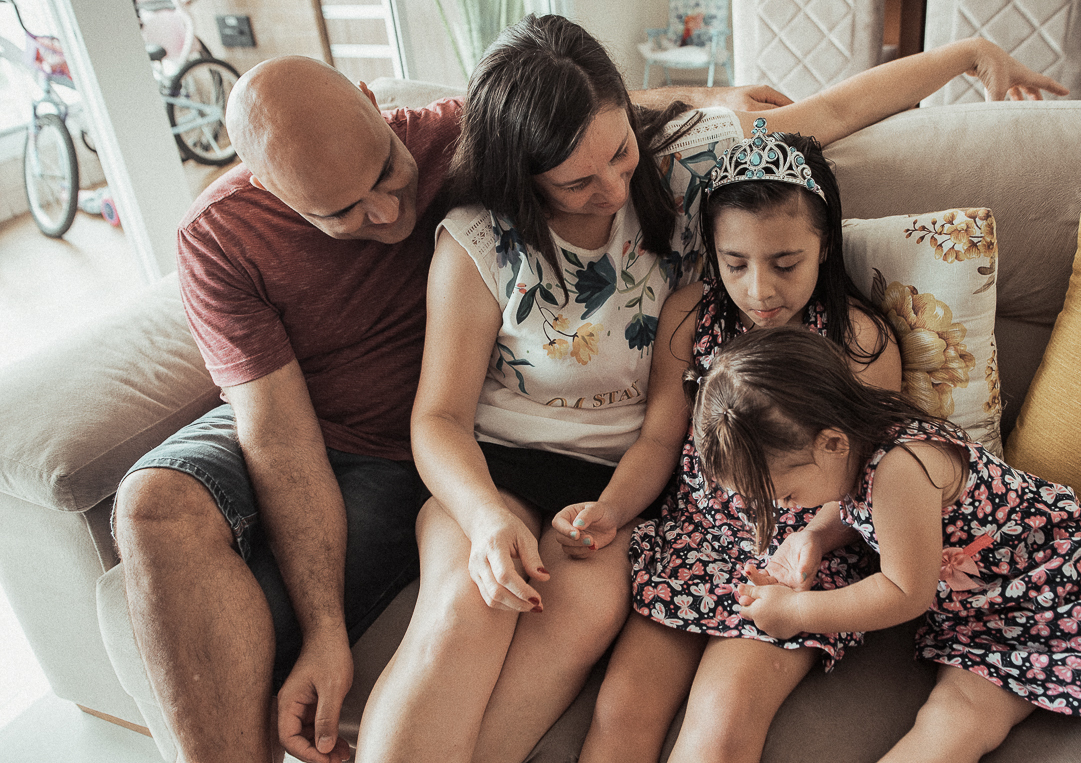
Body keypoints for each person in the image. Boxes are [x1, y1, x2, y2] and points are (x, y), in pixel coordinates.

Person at [361, 13, 1068, 763]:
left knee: (598, 635)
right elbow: (438, 415)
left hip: (659, 499)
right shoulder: (488, 239)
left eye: (621, 152)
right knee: (462, 617)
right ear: (524, 174)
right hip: (511, 470)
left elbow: (828, 114)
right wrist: (483, 519)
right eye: (577, 180)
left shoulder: (688, 170)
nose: (613, 188)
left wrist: (968, 52)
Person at [110, 52, 795, 763]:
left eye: (384, 173)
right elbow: (279, 437)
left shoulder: (467, 135)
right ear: (270, 188)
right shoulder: (221, 235)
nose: (384, 212)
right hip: (358, 437)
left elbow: (572, 105)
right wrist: (327, 630)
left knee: (573, 610)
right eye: (338, 212)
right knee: (151, 504)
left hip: (479, 461)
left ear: (374, 103)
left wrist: (713, 95)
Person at [692, 326, 1081, 761]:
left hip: (1069, 580)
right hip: (989, 616)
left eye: (786, 493)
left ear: (831, 442)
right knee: (955, 719)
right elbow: (849, 501)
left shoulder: (901, 467)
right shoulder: (853, 443)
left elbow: (903, 592)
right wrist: (815, 536)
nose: (784, 507)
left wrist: (798, 612)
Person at [571, 125, 900, 763]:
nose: (759, 291)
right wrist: (611, 510)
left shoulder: (858, 344)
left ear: (825, 245)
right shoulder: (692, 315)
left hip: (798, 553)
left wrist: (815, 540)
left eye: (784, 264)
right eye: (735, 264)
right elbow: (661, 439)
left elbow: (874, 481)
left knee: (718, 736)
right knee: (620, 717)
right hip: (693, 538)